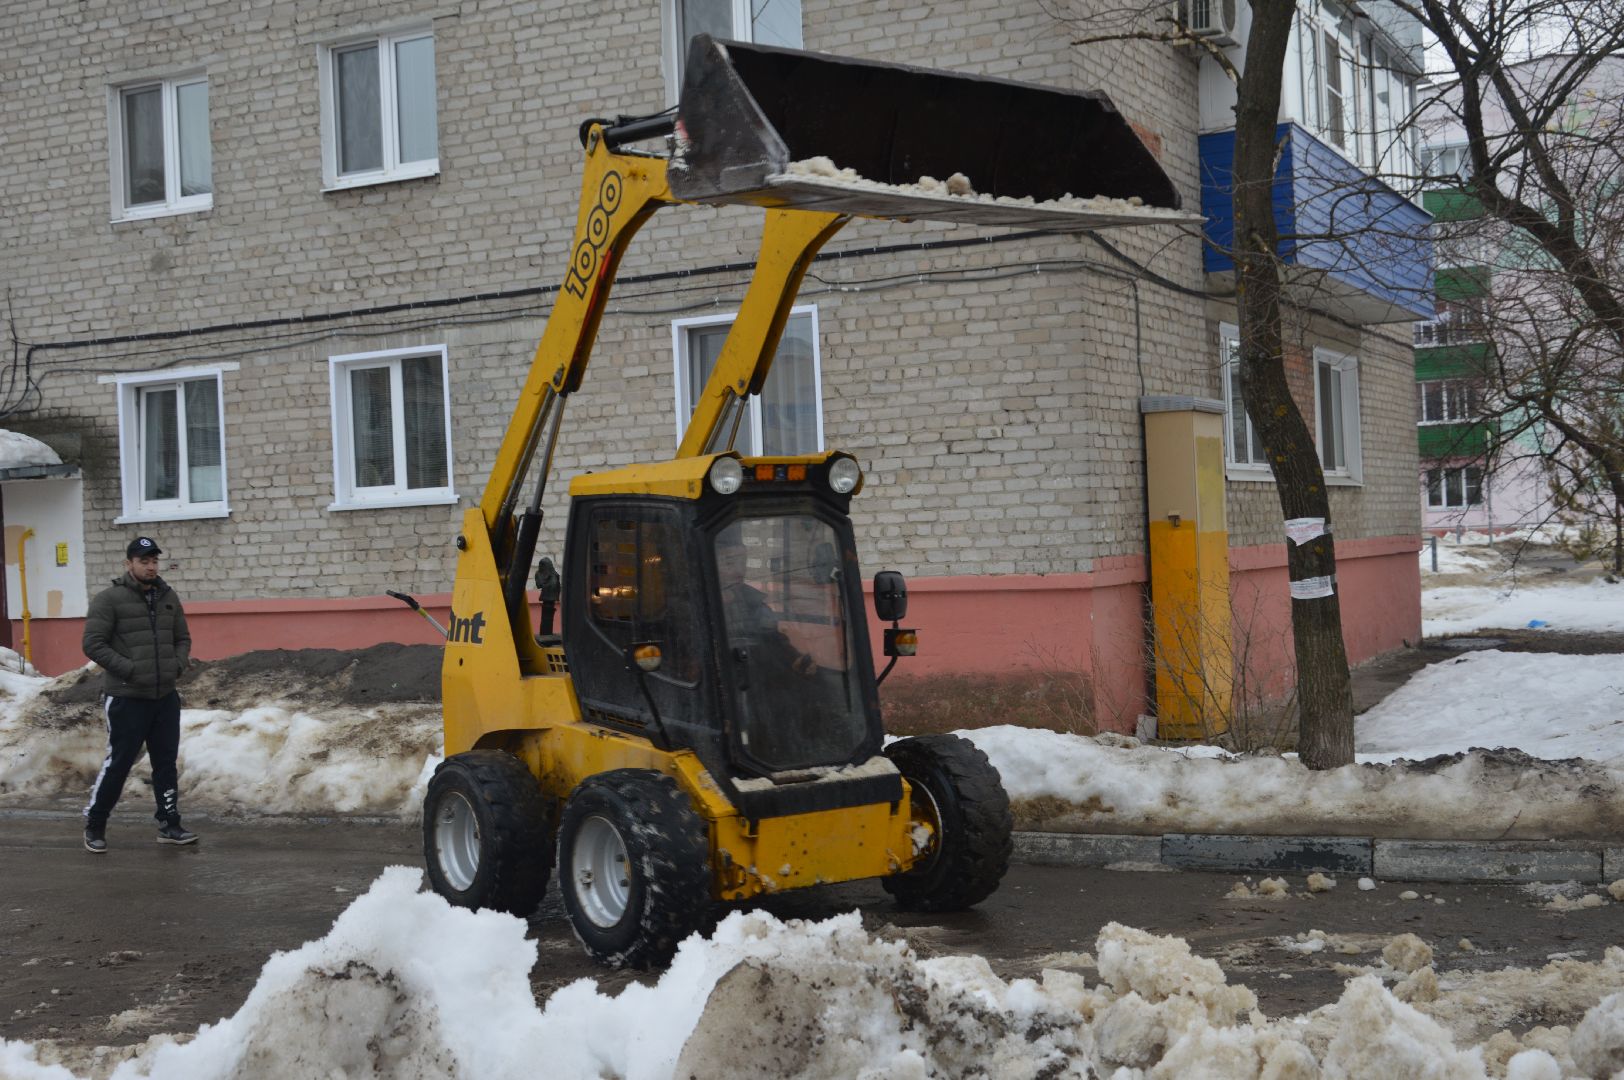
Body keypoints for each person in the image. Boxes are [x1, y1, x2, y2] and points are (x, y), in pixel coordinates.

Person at [81, 536, 198, 852]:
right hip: (126, 697)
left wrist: (177, 663)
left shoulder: (168, 597)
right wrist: (130, 669)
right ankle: (95, 824)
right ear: (129, 563)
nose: (150, 566)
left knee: (165, 763)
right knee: (118, 763)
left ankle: (169, 825)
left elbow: (182, 637)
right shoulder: (109, 599)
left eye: (154, 560)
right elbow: (93, 644)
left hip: (164, 697)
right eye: (143, 560)